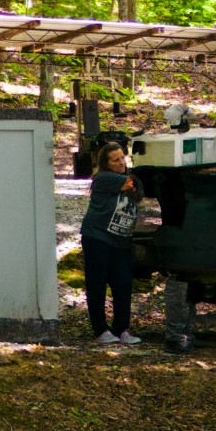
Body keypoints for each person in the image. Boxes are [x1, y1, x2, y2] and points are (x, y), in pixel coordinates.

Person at [81, 141, 143, 346]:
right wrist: (135, 180)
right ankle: (100, 330)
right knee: (97, 284)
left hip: (121, 240)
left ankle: (121, 328)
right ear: (105, 163)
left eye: (122, 158)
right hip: (98, 237)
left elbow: (140, 192)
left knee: (123, 284)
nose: (120, 162)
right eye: (115, 160)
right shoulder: (103, 178)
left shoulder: (123, 177)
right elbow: (131, 184)